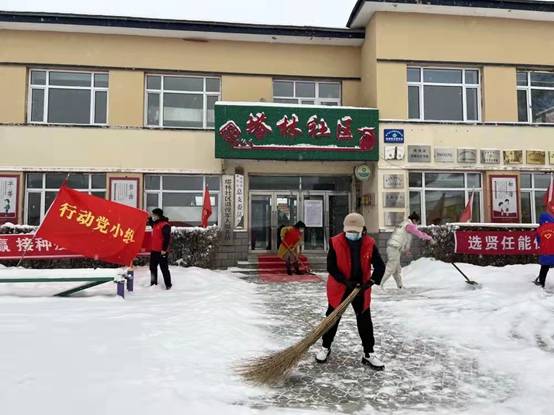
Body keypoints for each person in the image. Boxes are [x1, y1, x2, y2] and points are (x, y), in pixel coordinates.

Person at [314, 212, 386, 370]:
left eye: (355, 231)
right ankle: (325, 347)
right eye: (349, 231)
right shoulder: (335, 242)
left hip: (361, 288)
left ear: (363, 229)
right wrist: (345, 281)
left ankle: (369, 353)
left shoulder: (369, 243)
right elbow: (331, 267)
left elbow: (380, 266)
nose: (352, 234)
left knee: (364, 320)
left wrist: (370, 282)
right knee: (332, 318)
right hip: (340, 287)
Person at [381, 212, 433, 289]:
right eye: (417, 222)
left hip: (393, 247)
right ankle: (379, 284)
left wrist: (406, 250)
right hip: (394, 248)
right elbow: (419, 234)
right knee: (391, 268)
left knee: (396, 269)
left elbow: (404, 238)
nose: (417, 225)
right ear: (414, 220)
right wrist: (429, 238)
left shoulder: (404, 224)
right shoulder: (409, 226)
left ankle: (400, 286)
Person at [148, 208, 172, 289]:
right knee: (152, 268)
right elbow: (151, 222)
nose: (153, 216)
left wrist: (164, 250)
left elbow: (167, 238)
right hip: (154, 250)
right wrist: (148, 217)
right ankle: (153, 283)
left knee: (164, 269)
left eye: (154, 215)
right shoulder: (155, 224)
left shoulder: (165, 225)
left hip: (162, 251)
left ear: (158, 215)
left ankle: (168, 285)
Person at [534, 202, 554, 289]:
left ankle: (541, 282)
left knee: (544, 268)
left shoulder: (539, 229)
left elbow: (538, 241)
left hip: (545, 252)